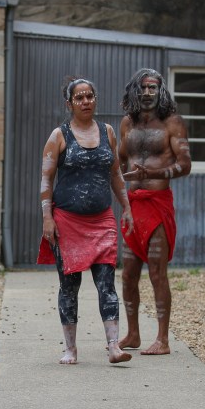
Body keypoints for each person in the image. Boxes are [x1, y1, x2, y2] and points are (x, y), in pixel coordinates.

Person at [37, 77, 134, 365]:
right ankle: (70, 348)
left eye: (89, 96)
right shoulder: (59, 136)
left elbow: (115, 174)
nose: (86, 101)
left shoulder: (107, 132)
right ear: (69, 104)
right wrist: (47, 218)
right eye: (79, 97)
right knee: (69, 286)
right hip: (67, 221)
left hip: (102, 220)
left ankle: (114, 346)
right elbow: (46, 178)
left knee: (107, 284)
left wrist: (126, 207)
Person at [118, 68, 191, 355]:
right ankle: (133, 333)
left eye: (153, 88)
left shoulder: (172, 123)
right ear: (134, 91)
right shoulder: (127, 124)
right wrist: (123, 193)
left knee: (158, 273)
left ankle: (163, 339)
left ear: (161, 91)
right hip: (133, 207)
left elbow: (185, 165)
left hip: (158, 205)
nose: (148, 93)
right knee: (127, 275)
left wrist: (154, 171)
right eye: (143, 88)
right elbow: (120, 163)